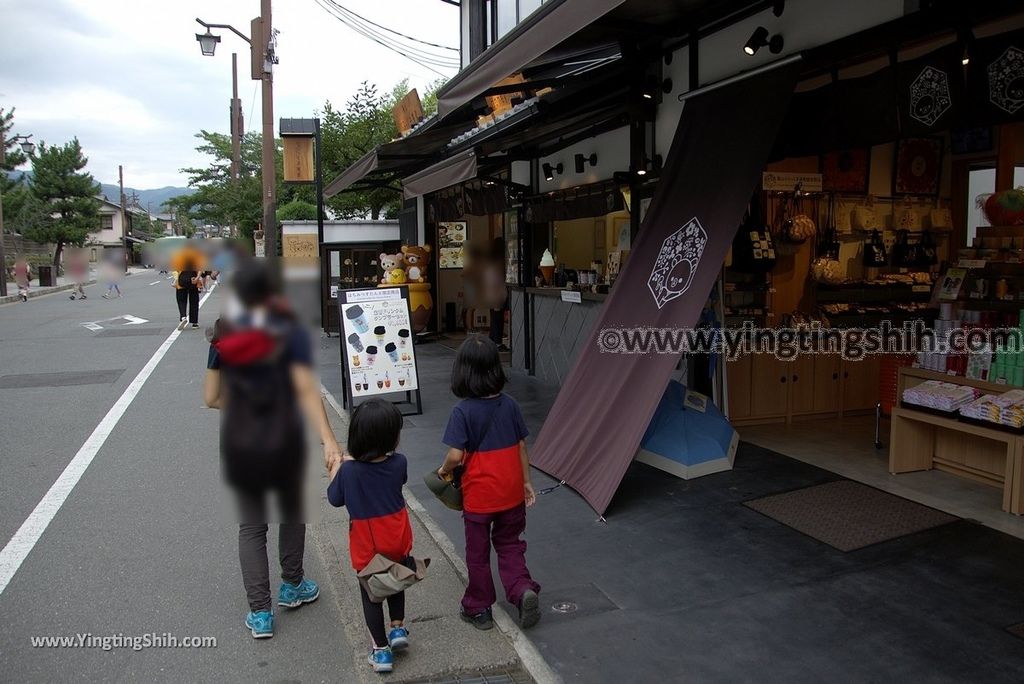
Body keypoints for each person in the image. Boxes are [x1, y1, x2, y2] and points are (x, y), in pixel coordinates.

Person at [203, 259, 342, 640]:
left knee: (252, 526)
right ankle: (292, 585)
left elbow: (212, 398)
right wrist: (329, 440)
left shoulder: (223, 335)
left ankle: (260, 614)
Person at [437, 335, 540, 631]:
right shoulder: (510, 406)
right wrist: (527, 482)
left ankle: (478, 607)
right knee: (510, 544)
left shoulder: (462, 411)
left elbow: (456, 455)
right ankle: (522, 590)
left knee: (478, 554)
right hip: (511, 493)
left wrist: (444, 470)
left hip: (480, 498)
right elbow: (521, 446)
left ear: (463, 372)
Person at [327, 399, 414, 674]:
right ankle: (398, 628)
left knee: (372, 594)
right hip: (397, 536)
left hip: (368, 543)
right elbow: (396, 480)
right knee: (396, 579)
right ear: (391, 438)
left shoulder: (349, 472)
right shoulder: (399, 462)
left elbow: (334, 499)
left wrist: (335, 469)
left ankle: (381, 651)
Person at [483, 238, 509, 350]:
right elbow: (498, 280)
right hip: (497, 292)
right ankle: (497, 343)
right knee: (498, 319)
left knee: (494, 318)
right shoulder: (499, 262)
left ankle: (492, 341)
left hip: (490, 292)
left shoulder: (489, 260)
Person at [172, 248, 204, 329]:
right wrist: (197, 278)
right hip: (193, 281)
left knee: (181, 300)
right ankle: (194, 323)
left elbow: (175, 270)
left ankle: (183, 317)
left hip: (182, 281)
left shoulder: (178, 255)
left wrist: (176, 280)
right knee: (194, 301)